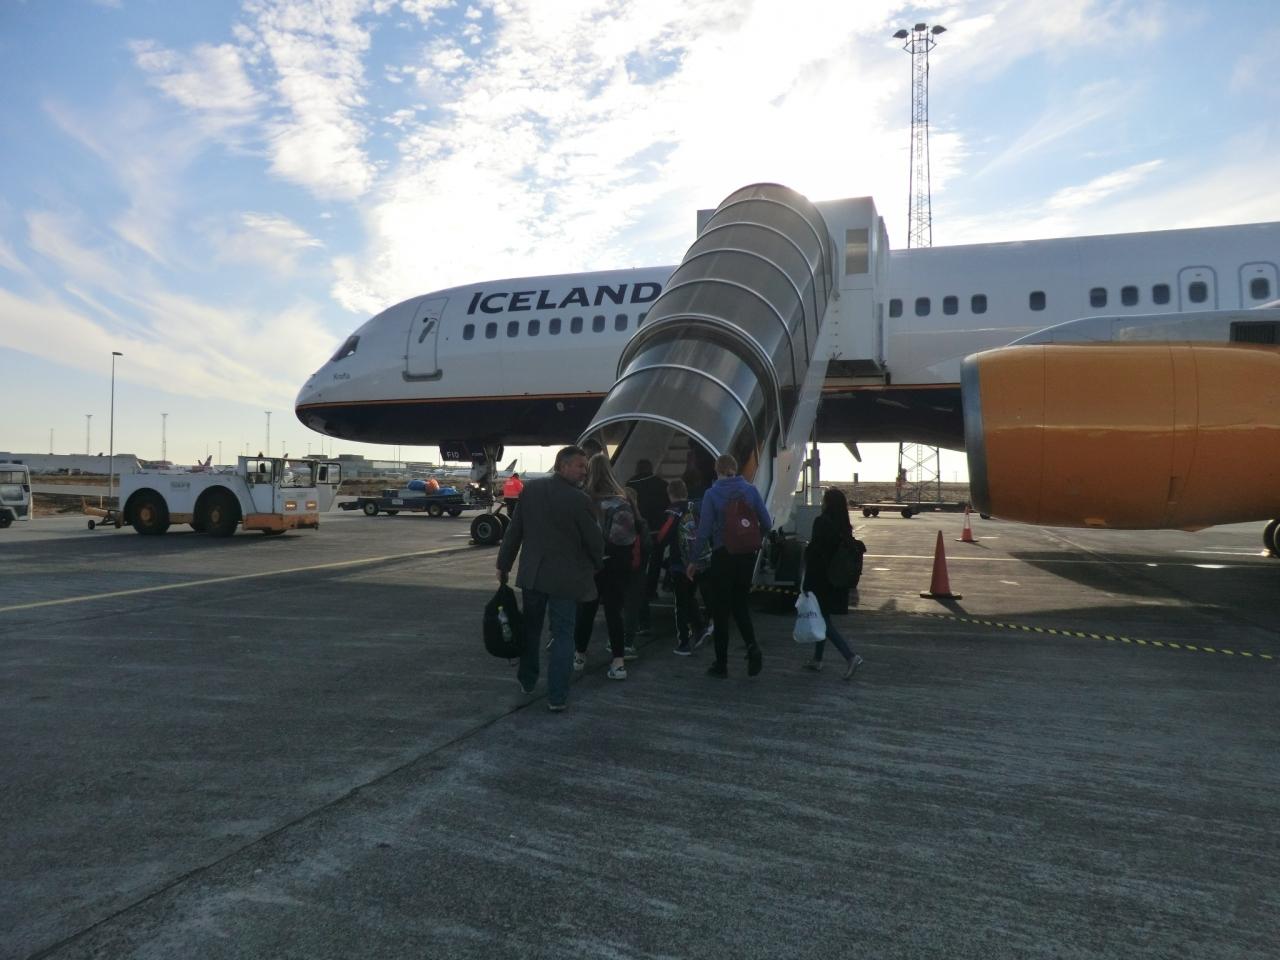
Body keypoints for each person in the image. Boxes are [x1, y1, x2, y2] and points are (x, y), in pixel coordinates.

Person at [496, 446, 602, 712]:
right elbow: (594, 541)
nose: (584, 471)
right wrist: (597, 565)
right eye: (580, 466)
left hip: (533, 576)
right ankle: (557, 696)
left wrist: (503, 564)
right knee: (564, 636)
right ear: (563, 466)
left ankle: (527, 680)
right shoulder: (580, 500)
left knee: (530, 630)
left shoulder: (531, 490)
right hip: (565, 581)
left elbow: (514, 531)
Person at [690, 453, 772, 678]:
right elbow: (767, 522)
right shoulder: (751, 490)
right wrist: (754, 538)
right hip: (746, 556)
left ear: (717, 471)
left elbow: (704, 531)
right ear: (735, 470)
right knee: (740, 605)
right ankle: (753, 647)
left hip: (723, 555)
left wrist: (694, 560)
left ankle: (721, 664)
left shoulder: (712, 494)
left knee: (720, 610)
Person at [575, 453, 638, 680]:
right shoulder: (622, 501)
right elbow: (627, 538)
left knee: (586, 611)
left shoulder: (583, 500)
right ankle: (618, 662)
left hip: (591, 566)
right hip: (617, 565)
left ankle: (579, 655)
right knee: (614, 613)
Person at [801, 487, 865, 679]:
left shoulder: (821, 522)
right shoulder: (844, 526)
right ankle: (817, 659)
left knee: (823, 621)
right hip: (835, 580)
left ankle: (850, 656)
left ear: (828, 503)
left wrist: (806, 584)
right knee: (824, 617)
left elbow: (814, 553)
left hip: (820, 579)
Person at [656, 477, 711, 655]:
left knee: (680, 603)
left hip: (679, 564)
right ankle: (700, 628)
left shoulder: (673, 512)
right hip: (696, 562)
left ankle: (684, 643)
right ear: (686, 492)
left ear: (670, 494)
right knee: (690, 597)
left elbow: (662, 537)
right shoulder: (695, 508)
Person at [627, 458, 670, 604]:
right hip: (658, 529)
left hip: (638, 529)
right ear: (651, 469)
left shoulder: (630, 484)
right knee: (656, 560)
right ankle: (651, 590)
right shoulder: (662, 484)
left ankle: (638, 589)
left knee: (639, 561)